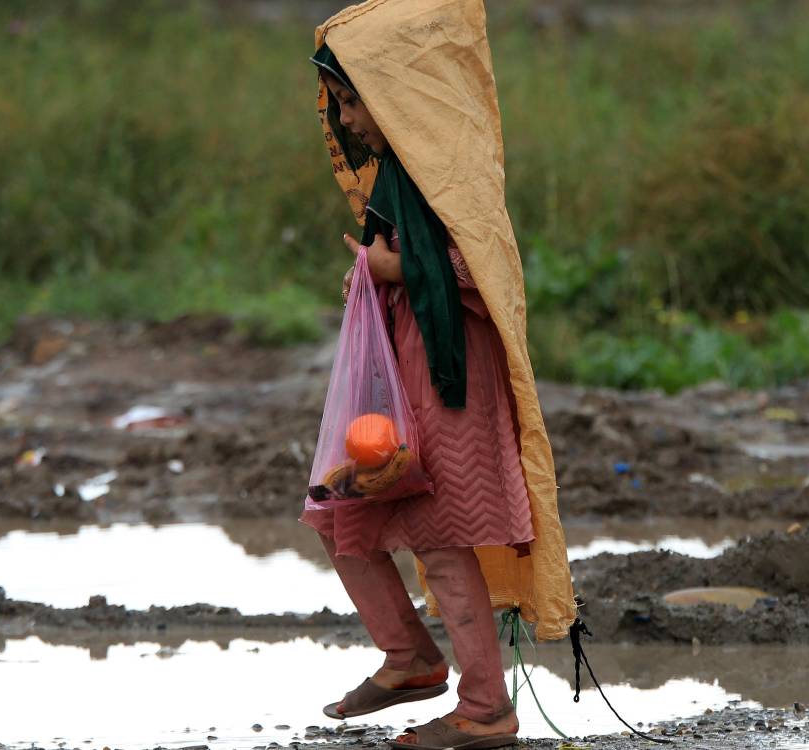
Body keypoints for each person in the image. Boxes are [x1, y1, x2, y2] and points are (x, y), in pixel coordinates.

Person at [297, 3, 577, 748]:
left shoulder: (451, 174)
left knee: (439, 532)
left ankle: (485, 708)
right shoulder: (397, 176)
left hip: (451, 372)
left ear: (395, 94)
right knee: (339, 509)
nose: (347, 120)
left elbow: (483, 270)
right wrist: (379, 276)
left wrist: (391, 266)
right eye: (341, 104)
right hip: (396, 368)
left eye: (353, 100)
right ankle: (409, 659)